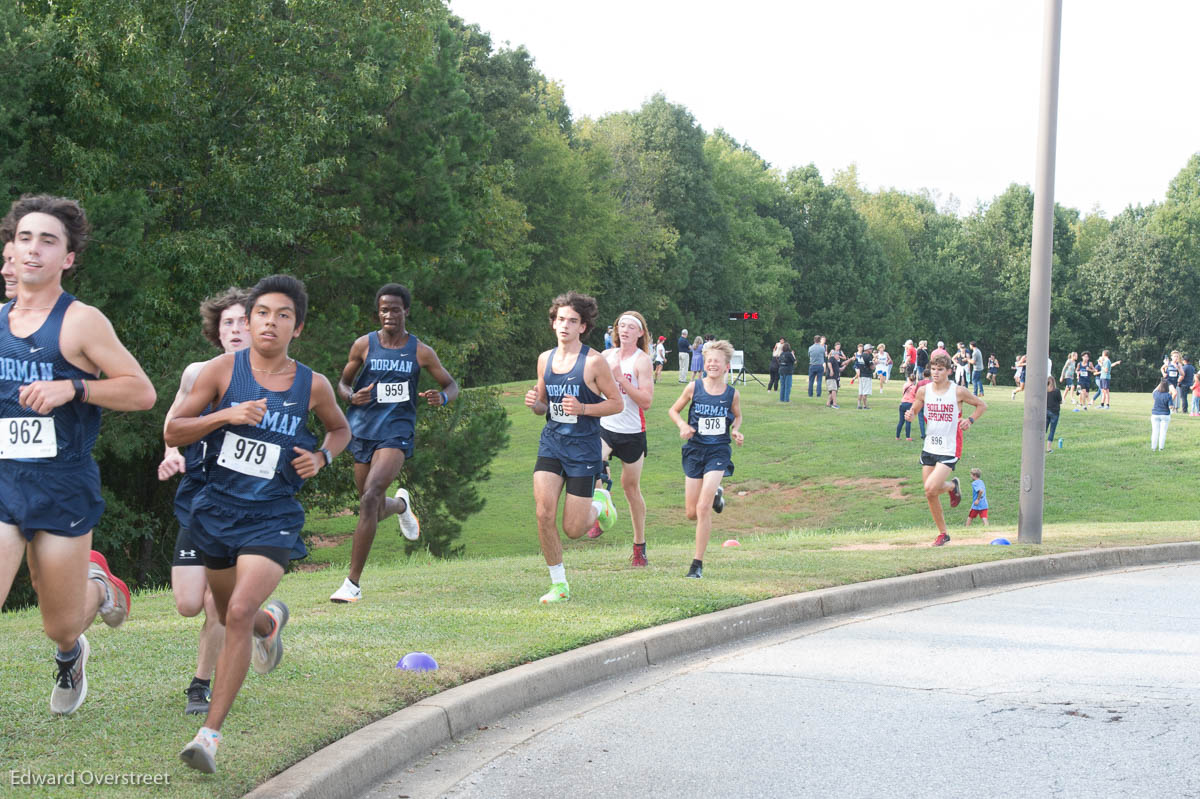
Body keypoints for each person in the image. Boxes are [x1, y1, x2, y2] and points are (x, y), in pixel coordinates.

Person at [168, 275, 350, 772]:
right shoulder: (221, 371)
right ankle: (271, 626)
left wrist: (323, 458)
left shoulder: (311, 383)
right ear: (248, 322)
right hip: (217, 513)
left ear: (298, 327)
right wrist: (224, 415)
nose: (271, 322)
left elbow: (340, 428)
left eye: (283, 315)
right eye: (263, 313)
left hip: (273, 516)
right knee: (234, 617)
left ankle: (208, 736)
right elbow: (173, 428)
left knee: (240, 611)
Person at [0, 195, 156, 716]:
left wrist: (75, 389)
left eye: (49, 241)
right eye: (25, 238)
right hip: (4, 484)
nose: (34, 249)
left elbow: (141, 392)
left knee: (59, 624)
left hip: (62, 485)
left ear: (68, 257)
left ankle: (87, 611)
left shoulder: (82, 322)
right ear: (11, 248)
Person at [330, 283, 458, 604]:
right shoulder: (363, 345)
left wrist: (441, 397)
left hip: (396, 431)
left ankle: (352, 583)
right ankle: (401, 505)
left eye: (396, 309)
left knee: (371, 495)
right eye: (384, 309)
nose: (389, 314)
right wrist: (350, 395)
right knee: (368, 504)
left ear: (406, 312)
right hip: (363, 430)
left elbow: (450, 384)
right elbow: (343, 384)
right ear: (378, 313)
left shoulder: (420, 351)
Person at [157, 288, 250, 715]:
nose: (235, 329)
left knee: (218, 602)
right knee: (188, 603)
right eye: (228, 322)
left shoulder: (278, 380)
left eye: (244, 321)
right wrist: (172, 453)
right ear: (217, 330)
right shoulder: (198, 373)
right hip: (199, 497)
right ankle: (265, 624)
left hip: (247, 503)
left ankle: (200, 684)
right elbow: (174, 421)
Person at [524, 292, 622, 604]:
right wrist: (535, 404)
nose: (564, 325)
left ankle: (600, 504)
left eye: (572, 321)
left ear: (583, 327)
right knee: (543, 512)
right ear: (553, 323)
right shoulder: (545, 359)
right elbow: (544, 406)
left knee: (574, 529)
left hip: (583, 450)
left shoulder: (594, 362)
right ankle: (559, 584)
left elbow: (616, 404)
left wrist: (583, 409)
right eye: (560, 319)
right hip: (552, 443)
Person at [667, 339, 743, 579]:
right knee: (691, 512)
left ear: (726, 367)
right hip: (695, 450)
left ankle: (696, 565)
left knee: (702, 508)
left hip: (718, 452)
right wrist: (682, 425)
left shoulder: (732, 393)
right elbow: (673, 410)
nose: (712, 365)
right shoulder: (693, 387)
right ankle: (716, 495)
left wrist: (735, 430)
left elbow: (737, 416)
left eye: (717, 362)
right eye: (709, 360)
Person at [591, 312, 654, 567]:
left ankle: (639, 547)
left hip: (632, 432)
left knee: (631, 490)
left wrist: (619, 379)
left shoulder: (643, 361)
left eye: (631, 327)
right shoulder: (606, 357)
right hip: (606, 425)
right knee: (593, 460)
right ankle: (602, 509)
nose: (625, 330)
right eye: (621, 325)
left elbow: (646, 401)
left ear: (640, 333)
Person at [905, 354, 987, 547]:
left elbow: (981, 405)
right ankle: (943, 533)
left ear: (949, 371)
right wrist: (910, 414)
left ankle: (951, 487)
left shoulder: (958, 391)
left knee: (930, 487)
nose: (936, 373)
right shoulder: (924, 390)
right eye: (933, 369)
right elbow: (916, 408)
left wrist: (970, 420)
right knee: (930, 493)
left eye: (940, 370)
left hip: (949, 447)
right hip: (929, 446)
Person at [1150, 379, 1172, 451]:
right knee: (1163, 432)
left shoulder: (1156, 393)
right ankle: (1161, 448)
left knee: (1155, 432)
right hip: (1165, 415)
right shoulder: (1168, 395)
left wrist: (1160, 384)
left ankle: (1153, 448)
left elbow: (1154, 391)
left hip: (1155, 414)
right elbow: (1170, 406)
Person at [896, 371, 917, 442]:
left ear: (908, 379)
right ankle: (908, 437)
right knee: (908, 421)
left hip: (903, 403)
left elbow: (903, 393)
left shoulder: (905, 385)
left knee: (901, 421)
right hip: (910, 404)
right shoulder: (915, 387)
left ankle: (897, 436)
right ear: (914, 380)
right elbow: (915, 396)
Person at [855, 344, 875, 409]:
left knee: (860, 391)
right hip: (866, 375)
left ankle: (858, 404)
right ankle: (864, 405)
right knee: (865, 391)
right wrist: (875, 364)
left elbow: (858, 366)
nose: (872, 350)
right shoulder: (868, 356)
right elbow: (872, 367)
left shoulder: (861, 356)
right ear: (867, 349)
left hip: (861, 375)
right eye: (871, 349)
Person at [1045, 376, 1061, 453]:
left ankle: (1038, 445)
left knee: (1043, 429)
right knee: (1052, 430)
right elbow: (1060, 401)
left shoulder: (1045, 391)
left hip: (1046, 411)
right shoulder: (1057, 391)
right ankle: (1048, 448)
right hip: (1055, 413)